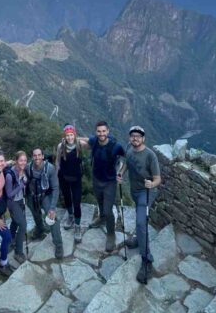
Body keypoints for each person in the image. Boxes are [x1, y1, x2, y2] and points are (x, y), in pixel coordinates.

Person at [119, 125, 162, 284]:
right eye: (133, 136)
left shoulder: (150, 155)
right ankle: (138, 239)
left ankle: (147, 260)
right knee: (139, 219)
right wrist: (120, 174)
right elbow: (126, 163)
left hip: (146, 192)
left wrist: (152, 184)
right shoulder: (129, 148)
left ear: (143, 138)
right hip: (134, 191)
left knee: (140, 222)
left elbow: (158, 178)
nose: (135, 138)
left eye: (138, 136)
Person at [78, 121, 125, 252]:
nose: (101, 134)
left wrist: (121, 172)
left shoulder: (116, 146)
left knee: (108, 210)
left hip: (110, 182)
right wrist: (72, 137)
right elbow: (88, 140)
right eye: (99, 131)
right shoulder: (94, 141)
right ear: (96, 132)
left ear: (108, 131)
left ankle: (111, 234)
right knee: (99, 202)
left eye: (104, 131)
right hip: (96, 179)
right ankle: (101, 218)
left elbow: (125, 158)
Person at [25, 147, 64, 259]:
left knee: (53, 219)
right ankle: (40, 228)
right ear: (32, 157)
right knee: (36, 214)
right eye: (35, 155)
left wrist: (52, 208)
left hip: (46, 196)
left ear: (42, 156)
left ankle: (59, 244)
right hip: (32, 196)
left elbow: (55, 188)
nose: (37, 157)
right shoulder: (28, 167)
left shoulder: (49, 169)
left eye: (39, 155)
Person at [55, 124, 84, 243]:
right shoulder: (61, 146)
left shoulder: (79, 145)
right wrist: (56, 177)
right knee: (67, 198)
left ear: (74, 135)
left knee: (76, 202)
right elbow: (57, 161)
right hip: (64, 177)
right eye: (67, 135)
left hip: (76, 178)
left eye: (71, 134)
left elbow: (94, 143)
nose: (70, 137)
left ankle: (77, 226)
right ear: (65, 136)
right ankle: (70, 216)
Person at [5, 151, 29, 263]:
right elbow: (9, 194)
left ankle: (11, 239)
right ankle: (18, 252)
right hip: (12, 202)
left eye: (25, 160)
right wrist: (22, 185)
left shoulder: (24, 170)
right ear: (16, 161)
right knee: (23, 225)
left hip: (20, 200)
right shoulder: (10, 175)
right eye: (21, 160)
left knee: (15, 221)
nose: (23, 162)